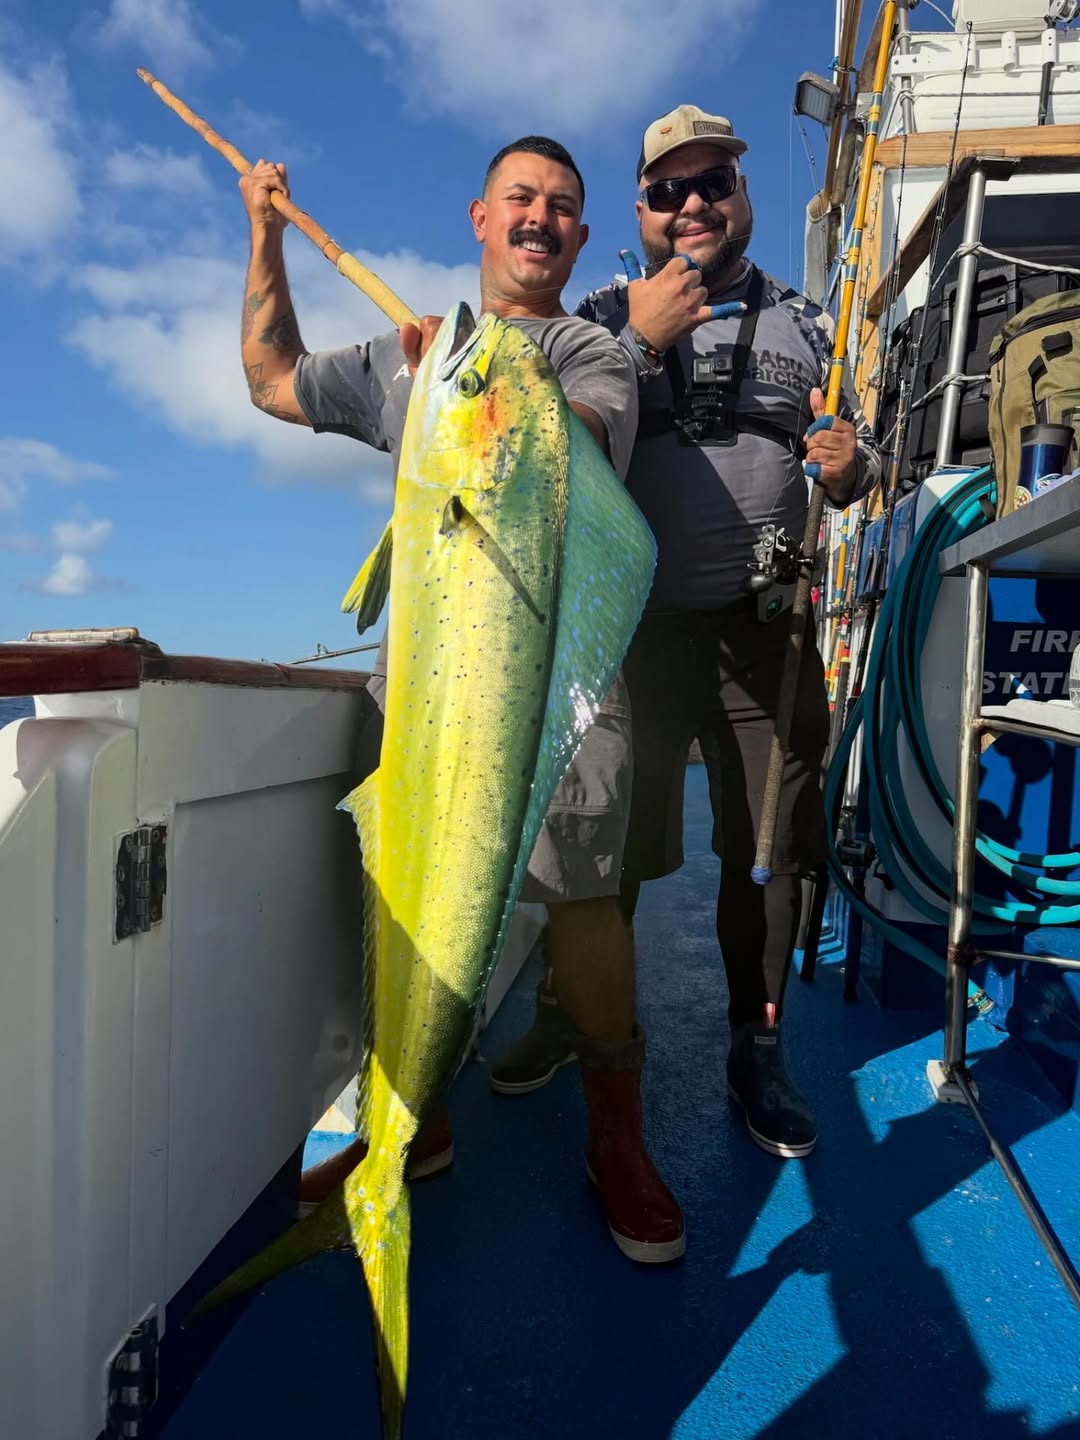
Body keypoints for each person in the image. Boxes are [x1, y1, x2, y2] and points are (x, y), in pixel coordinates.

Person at [237, 136, 685, 1263]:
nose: (541, 218)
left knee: (585, 902)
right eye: (521, 199)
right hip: (429, 678)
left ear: (580, 239)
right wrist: (266, 235)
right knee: (403, 883)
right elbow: (271, 378)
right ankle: (414, 1122)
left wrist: (489, 385)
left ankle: (616, 1138)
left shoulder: (592, 349)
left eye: (564, 209)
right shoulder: (411, 360)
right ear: (480, 217)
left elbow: (571, 438)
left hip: (555, 668)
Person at [490, 105, 883, 1162]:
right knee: (605, 849)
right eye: (669, 191)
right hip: (634, 637)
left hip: (767, 630)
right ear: (642, 212)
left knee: (767, 855)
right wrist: (633, 338)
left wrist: (854, 472)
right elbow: (535, 433)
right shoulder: (599, 318)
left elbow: (865, 463)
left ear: (742, 198)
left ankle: (756, 1049)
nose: (694, 204)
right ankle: (578, 1014)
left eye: (714, 184)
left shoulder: (812, 326)